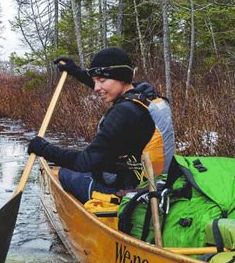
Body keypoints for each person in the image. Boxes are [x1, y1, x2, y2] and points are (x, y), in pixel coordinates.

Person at [28, 47, 175, 203]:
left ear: (122, 78)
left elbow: (84, 162)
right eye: (95, 81)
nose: (97, 88)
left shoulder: (123, 113)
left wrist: (44, 148)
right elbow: (111, 83)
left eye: (102, 81)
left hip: (131, 192)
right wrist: (75, 71)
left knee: (64, 173)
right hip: (160, 183)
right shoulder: (147, 95)